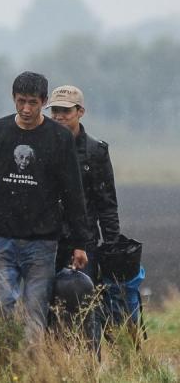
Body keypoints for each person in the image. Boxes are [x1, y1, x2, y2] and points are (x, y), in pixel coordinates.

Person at [0, 71, 92, 339]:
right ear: (13, 99)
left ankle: (32, 371)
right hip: (3, 240)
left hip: (43, 243)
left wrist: (80, 242)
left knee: (35, 317)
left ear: (43, 101)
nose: (26, 109)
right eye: (21, 101)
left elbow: (73, 191)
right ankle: (1, 368)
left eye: (33, 103)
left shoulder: (59, 138)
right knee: (0, 309)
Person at [47, 84, 121, 353]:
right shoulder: (42, 146)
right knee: (48, 308)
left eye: (65, 111)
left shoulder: (96, 152)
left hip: (84, 243)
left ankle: (90, 363)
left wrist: (112, 247)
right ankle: (53, 362)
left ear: (80, 112)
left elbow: (107, 204)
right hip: (47, 240)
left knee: (86, 307)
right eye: (55, 110)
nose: (59, 116)